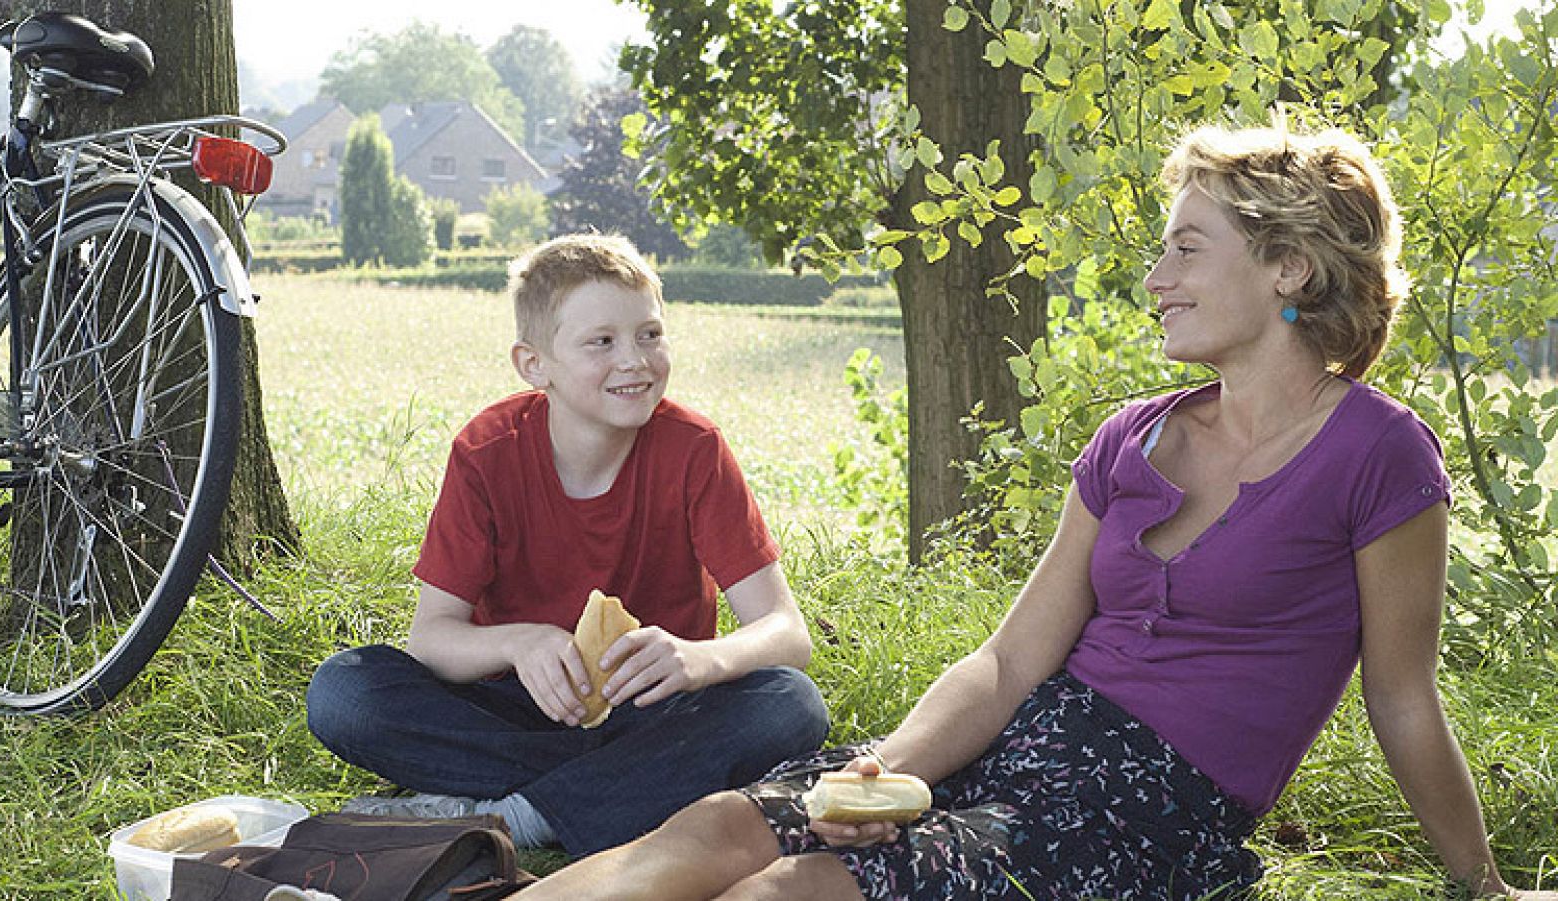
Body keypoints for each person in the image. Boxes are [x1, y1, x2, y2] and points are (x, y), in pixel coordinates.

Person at [516, 125, 1558, 899]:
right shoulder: (1131, 438)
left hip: (1141, 810)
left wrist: (1482, 886)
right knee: (718, 830)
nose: (1154, 280)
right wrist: (891, 764)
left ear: (1287, 264)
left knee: (788, 889)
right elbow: (1007, 664)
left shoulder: (1377, 454)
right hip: (1013, 737)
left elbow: (1401, 698)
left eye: (1186, 249)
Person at [303, 234, 830, 858]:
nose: (634, 360)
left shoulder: (694, 449)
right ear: (534, 364)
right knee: (343, 691)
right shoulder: (486, 452)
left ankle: (515, 817)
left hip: (653, 707)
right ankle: (616, 790)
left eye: (650, 335)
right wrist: (518, 641)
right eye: (601, 342)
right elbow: (432, 639)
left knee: (790, 704)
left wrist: (697, 659)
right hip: (513, 709)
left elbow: (785, 632)